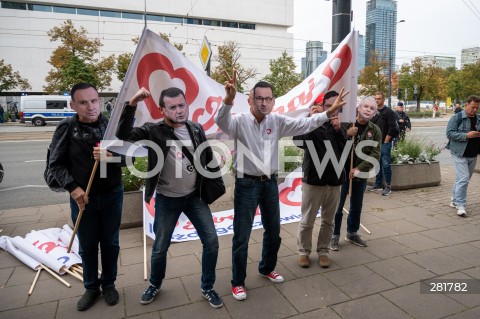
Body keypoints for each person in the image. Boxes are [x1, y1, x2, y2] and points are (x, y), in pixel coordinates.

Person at [215, 70, 348, 301]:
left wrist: (328, 112)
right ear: (250, 100)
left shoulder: (277, 121)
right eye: (259, 98)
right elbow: (221, 121)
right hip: (246, 184)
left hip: (269, 184)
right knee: (242, 236)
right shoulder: (238, 122)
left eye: (268, 98)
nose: (264, 103)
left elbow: (305, 124)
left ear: (273, 101)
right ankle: (238, 282)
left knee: (274, 232)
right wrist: (227, 100)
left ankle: (266, 268)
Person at [116, 87, 224, 308]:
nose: (179, 111)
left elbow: (205, 155)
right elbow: (123, 134)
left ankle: (208, 287)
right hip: (167, 199)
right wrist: (132, 103)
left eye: (182, 105)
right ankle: (155, 284)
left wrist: (213, 170)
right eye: (172, 107)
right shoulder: (153, 130)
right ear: (162, 109)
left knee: (211, 242)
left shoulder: (196, 128)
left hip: (195, 197)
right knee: (160, 247)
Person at [48, 83, 124, 311]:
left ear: (99, 100)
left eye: (94, 101)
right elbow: (56, 165)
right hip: (83, 199)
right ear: (73, 105)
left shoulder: (111, 126)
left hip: (112, 195)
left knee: (110, 243)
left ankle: (109, 284)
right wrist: (74, 189)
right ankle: (91, 287)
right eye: (83, 102)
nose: (90, 107)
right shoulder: (66, 128)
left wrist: (110, 156)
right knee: (88, 245)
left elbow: (129, 158)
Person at [293, 90, 347, 269]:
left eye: (335, 106)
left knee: (328, 221)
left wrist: (340, 131)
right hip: (313, 181)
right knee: (307, 220)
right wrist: (311, 121)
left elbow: (346, 151)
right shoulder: (312, 122)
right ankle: (304, 252)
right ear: (322, 107)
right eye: (328, 106)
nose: (332, 110)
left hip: (334, 181)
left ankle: (323, 251)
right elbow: (298, 142)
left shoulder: (341, 126)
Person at [330, 97, 381, 250]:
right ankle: (334, 235)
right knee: (337, 206)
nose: (368, 110)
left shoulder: (375, 130)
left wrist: (359, 169)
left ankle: (352, 232)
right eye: (365, 106)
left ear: (374, 114)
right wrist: (346, 134)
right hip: (341, 172)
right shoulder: (346, 124)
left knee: (356, 204)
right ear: (358, 108)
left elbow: (376, 153)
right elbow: (334, 144)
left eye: (372, 108)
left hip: (360, 173)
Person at [446, 95, 480, 217]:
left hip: (473, 154)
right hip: (459, 154)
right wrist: (467, 135)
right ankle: (461, 205)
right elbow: (449, 134)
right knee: (464, 179)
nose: (475, 110)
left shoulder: (478, 119)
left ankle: (454, 199)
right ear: (466, 105)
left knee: (462, 179)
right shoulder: (457, 117)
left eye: (477, 108)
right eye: (472, 107)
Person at [368, 91, 398, 196]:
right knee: (377, 163)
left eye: (379, 99)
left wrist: (386, 140)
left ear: (383, 99)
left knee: (385, 163)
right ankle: (378, 183)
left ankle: (388, 186)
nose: (376, 100)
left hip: (385, 142)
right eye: (375, 98)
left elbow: (392, 127)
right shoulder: (373, 111)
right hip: (375, 142)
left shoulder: (389, 112)